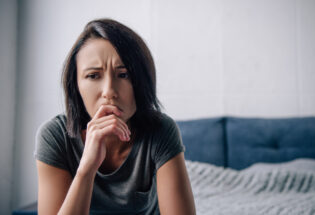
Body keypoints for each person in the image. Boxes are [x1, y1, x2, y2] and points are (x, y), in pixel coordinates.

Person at [34, 18, 196, 215]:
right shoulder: (55, 137)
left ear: (142, 81)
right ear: (75, 84)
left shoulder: (161, 131)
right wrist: (86, 169)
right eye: (93, 76)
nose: (109, 91)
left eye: (124, 74)